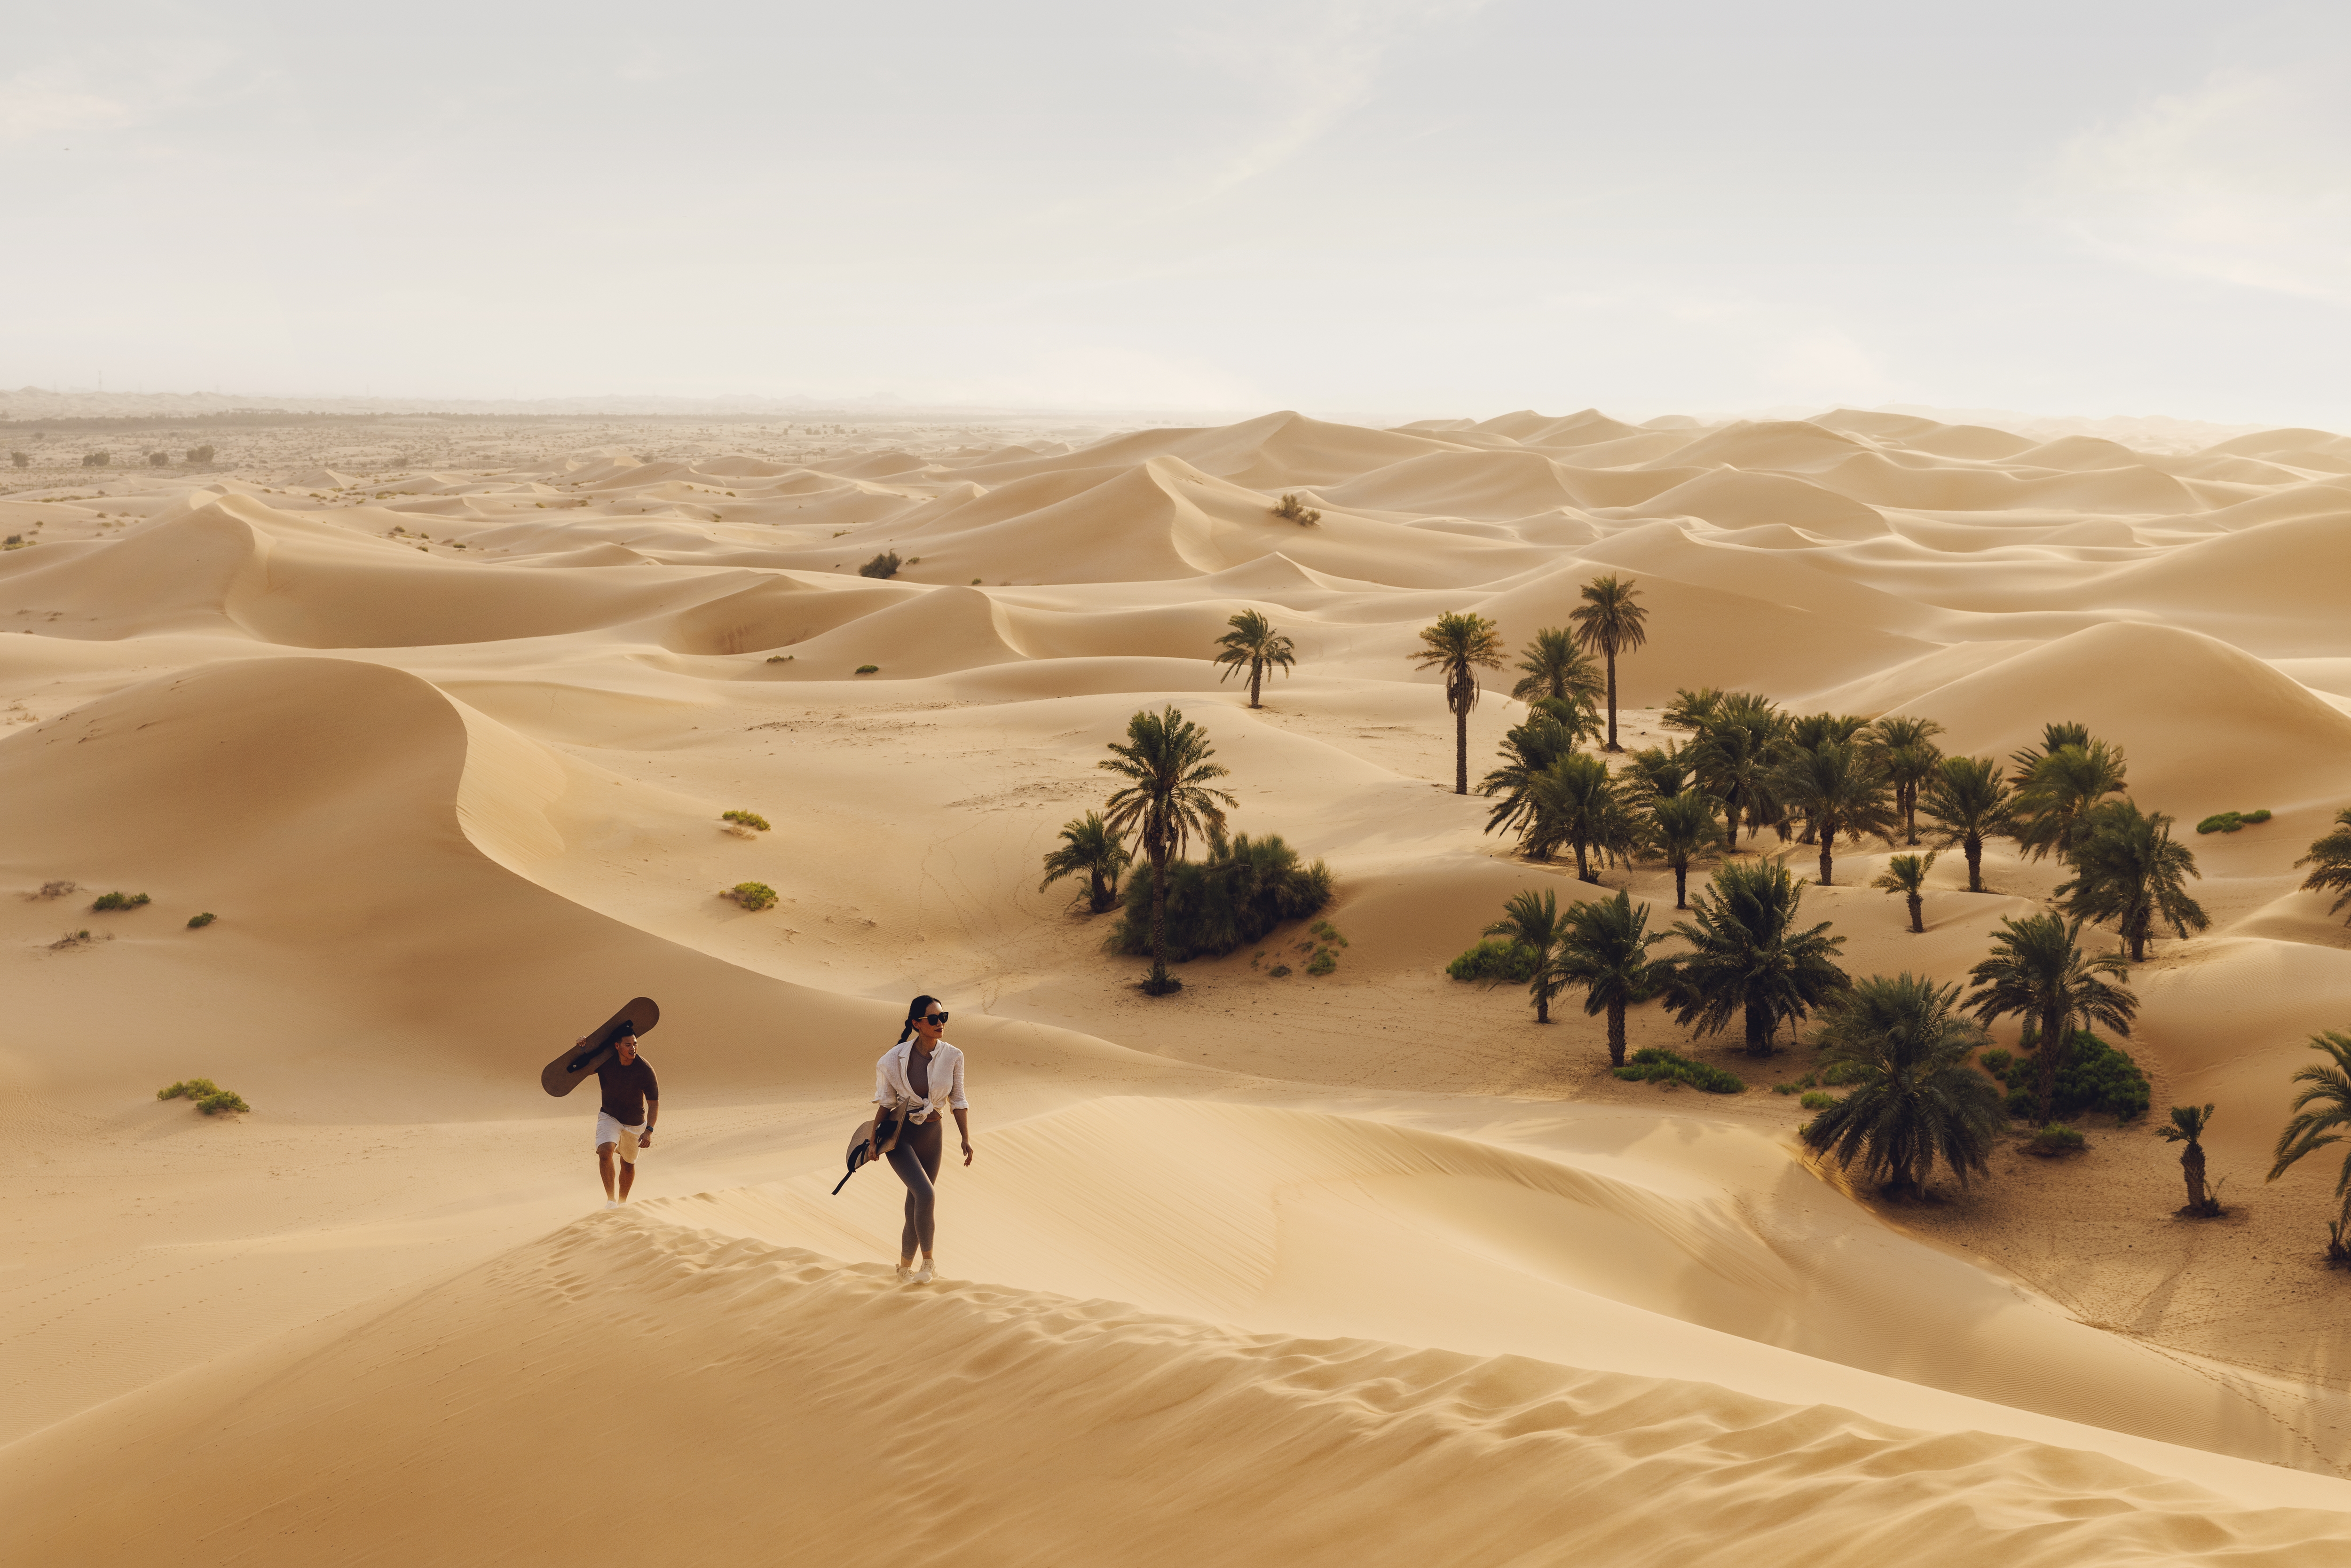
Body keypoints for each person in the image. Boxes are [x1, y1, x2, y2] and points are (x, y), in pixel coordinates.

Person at [868, 994, 971, 1284]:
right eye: (934, 1019)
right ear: (917, 1023)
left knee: (916, 1200)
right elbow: (886, 1103)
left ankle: (903, 1269)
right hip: (900, 1135)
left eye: (944, 1017)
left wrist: (965, 1138)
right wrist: (874, 1140)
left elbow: (958, 1100)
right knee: (926, 1195)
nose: (941, 1024)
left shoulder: (953, 1056)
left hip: (933, 1133)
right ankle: (929, 1264)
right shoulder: (892, 1059)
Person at [579, 1026, 659, 1209]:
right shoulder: (606, 1062)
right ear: (617, 1046)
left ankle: (623, 1202)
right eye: (628, 1044)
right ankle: (611, 1201)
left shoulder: (645, 1070)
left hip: (635, 1123)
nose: (633, 1049)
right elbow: (585, 1068)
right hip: (610, 1116)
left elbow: (654, 1103)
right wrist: (584, 1048)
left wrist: (649, 1130)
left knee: (628, 1164)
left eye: (635, 1044)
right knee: (605, 1151)